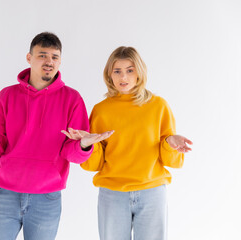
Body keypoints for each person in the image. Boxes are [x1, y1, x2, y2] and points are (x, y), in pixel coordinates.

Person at [0, 32, 112, 240]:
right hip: (4, 196)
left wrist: (84, 145)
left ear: (60, 60)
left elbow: (72, 154)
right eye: (42, 55)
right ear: (29, 58)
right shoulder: (7, 96)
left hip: (46, 199)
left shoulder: (72, 99)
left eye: (54, 57)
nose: (49, 61)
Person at [63, 46, 193, 240]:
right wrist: (88, 144)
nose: (123, 76)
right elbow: (94, 163)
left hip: (152, 192)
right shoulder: (101, 110)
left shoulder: (159, 106)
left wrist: (169, 142)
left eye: (129, 70)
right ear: (110, 75)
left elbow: (172, 160)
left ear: (139, 73)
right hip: (112, 194)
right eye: (117, 71)